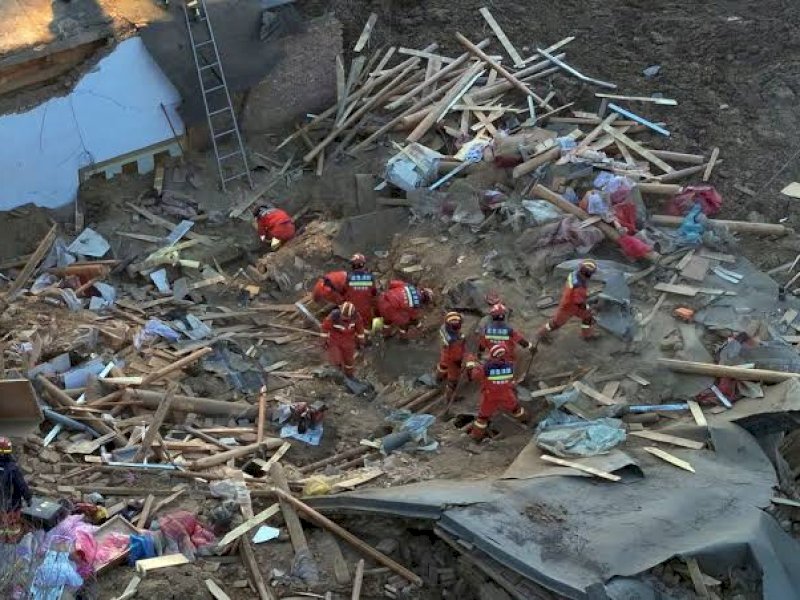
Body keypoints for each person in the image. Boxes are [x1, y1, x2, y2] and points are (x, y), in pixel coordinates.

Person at [464, 345, 530, 442]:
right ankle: (526, 420)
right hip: (506, 394)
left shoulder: (484, 369)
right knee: (516, 409)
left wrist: (470, 363)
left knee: (482, 418)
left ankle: (476, 437)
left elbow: (472, 376)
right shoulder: (509, 365)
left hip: (490, 397)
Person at [537, 259, 598, 341]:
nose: (591, 275)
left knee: (587, 317)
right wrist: (588, 308)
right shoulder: (579, 287)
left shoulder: (574, 274)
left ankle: (587, 336)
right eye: (591, 273)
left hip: (570, 302)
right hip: (568, 307)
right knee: (555, 324)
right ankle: (541, 334)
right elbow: (579, 303)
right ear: (587, 273)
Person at [320, 302, 365, 377]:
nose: (344, 318)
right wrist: (323, 342)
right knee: (336, 360)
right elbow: (325, 329)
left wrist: (361, 343)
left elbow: (360, 331)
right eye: (343, 316)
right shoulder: (333, 316)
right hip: (335, 341)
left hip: (349, 342)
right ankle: (339, 375)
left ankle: (349, 376)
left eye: (347, 317)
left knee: (349, 362)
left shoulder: (356, 317)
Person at [0, 437, 31, 542]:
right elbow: (22, 486)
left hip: (2, 506)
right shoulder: (12, 468)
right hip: (11, 506)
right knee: (12, 527)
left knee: (2, 526)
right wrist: (28, 499)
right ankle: (11, 544)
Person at [436, 312, 466, 394]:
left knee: (442, 367)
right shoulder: (453, 340)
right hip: (452, 358)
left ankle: (439, 379)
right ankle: (450, 394)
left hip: (445, 355)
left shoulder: (443, 328)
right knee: (453, 378)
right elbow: (456, 353)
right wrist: (459, 361)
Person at [345, 253, 378, 326]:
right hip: (367, 311)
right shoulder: (370, 277)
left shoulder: (348, 277)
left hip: (351, 311)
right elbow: (374, 293)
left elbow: (344, 292)